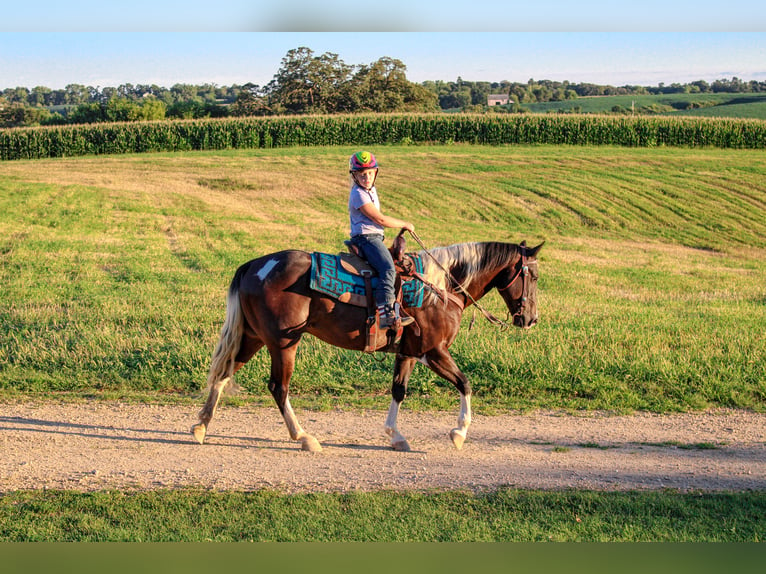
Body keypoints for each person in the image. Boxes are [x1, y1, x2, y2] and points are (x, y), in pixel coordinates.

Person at [347, 151, 415, 329]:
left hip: (374, 237)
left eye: (370, 173)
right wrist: (405, 223)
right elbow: (380, 219)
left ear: (376, 172)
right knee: (387, 268)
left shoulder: (370, 190)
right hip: (366, 238)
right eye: (362, 174)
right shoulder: (358, 195)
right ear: (354, 176)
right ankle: (386, 313)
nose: (366, 177)